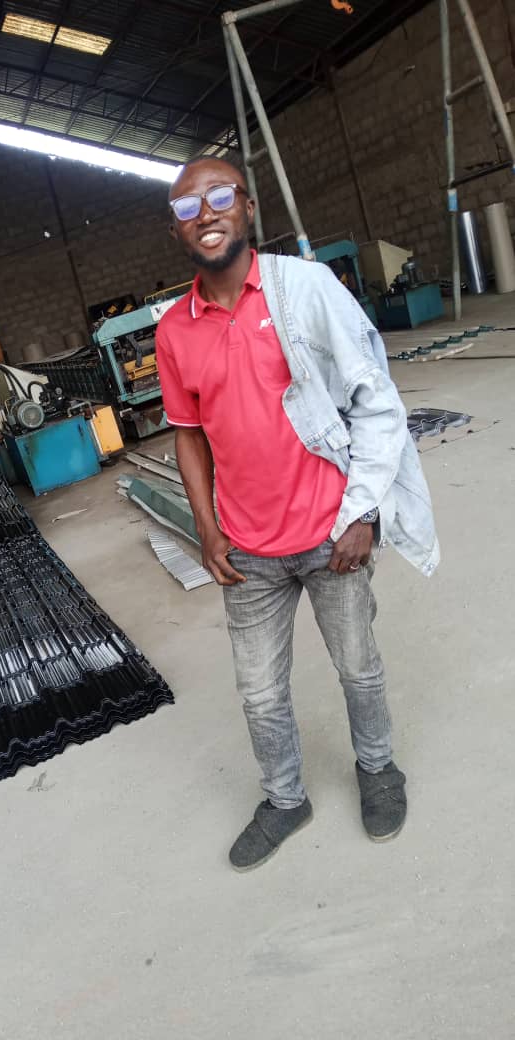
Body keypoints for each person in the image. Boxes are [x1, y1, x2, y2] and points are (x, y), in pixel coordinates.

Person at [155, 158, 438, 872]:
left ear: (248, 207)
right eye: (188, 206)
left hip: (329, 531)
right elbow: (188, 434)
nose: (206, 213)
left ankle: (378, 769)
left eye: (220, 196)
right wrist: (207, 528)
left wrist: (362, 512)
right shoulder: (174, 330)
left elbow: (374, 398)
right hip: (248, 549)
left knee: (358, 668)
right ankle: (285, 799)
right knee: (258, 693)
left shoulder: (303, 289)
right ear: (176, 229)